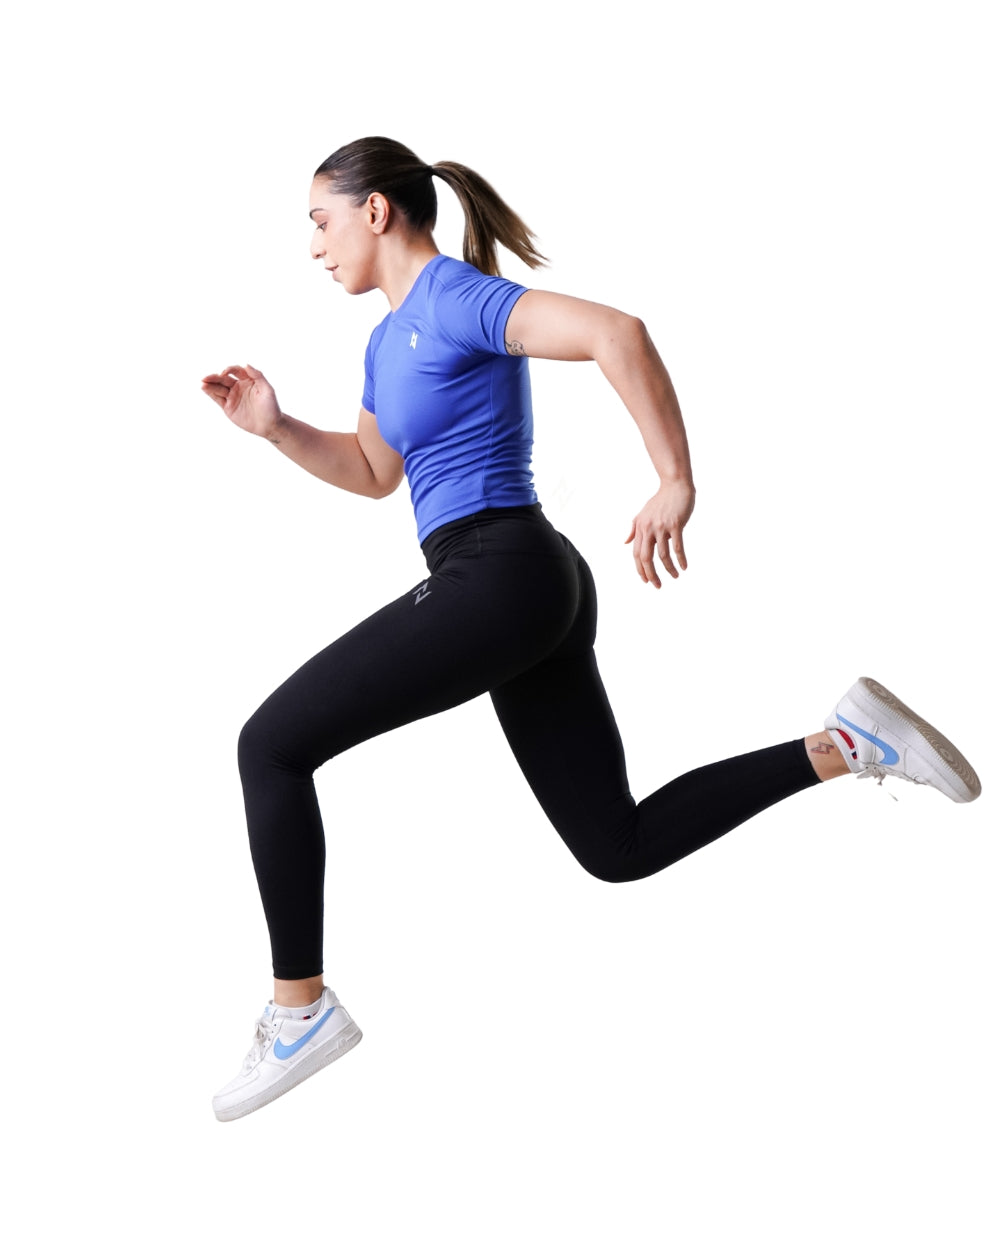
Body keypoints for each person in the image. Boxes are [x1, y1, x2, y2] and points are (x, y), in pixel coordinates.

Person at [200, 136, 981, 1122]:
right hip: (518, 584)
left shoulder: (457, 298)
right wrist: (275, 427)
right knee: (618, 843)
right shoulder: (386, 341)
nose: (314, 245)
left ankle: (299, 1008)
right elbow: (372, 470)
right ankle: (846, 744)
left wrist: (674, 478)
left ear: (376, 211)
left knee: (269, 745)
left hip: (502, 573)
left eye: (321, 221)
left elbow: (617, 332)